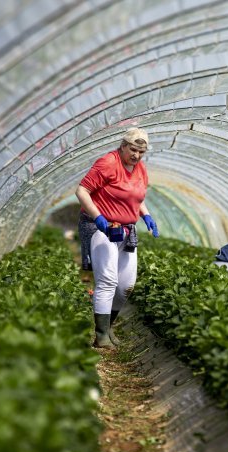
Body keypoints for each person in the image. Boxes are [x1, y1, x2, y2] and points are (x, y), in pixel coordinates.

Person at [75, 127, 159, 348]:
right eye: (133, 150)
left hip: (127, 230)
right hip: (102, 228)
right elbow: (82, 191)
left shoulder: (140, 169)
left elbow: (136, 197)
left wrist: (147, 215)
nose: (137, 155)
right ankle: (101, 335)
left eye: (141, 152)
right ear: (123, 146)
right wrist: (98, 216)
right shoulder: (108, 163)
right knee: (108, 281)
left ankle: (108, 326)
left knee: (126, 286)